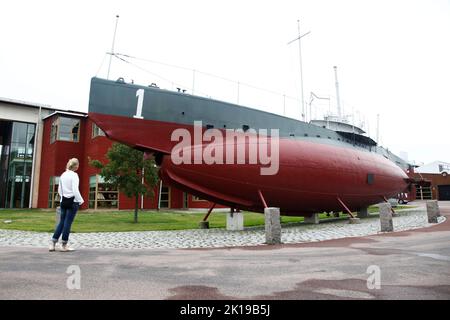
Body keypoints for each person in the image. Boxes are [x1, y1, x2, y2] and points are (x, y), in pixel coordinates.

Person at [49, 158, 84, 252]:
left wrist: (64, 197)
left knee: (62, 222)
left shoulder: (63, 175)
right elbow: (75, 190)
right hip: (73, 202)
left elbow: (59, 190)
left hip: (63, 201)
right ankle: (64, 245)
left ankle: (53, 243)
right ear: (76, 166)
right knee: (68, 223)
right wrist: (80, 200)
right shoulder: (74, 175)